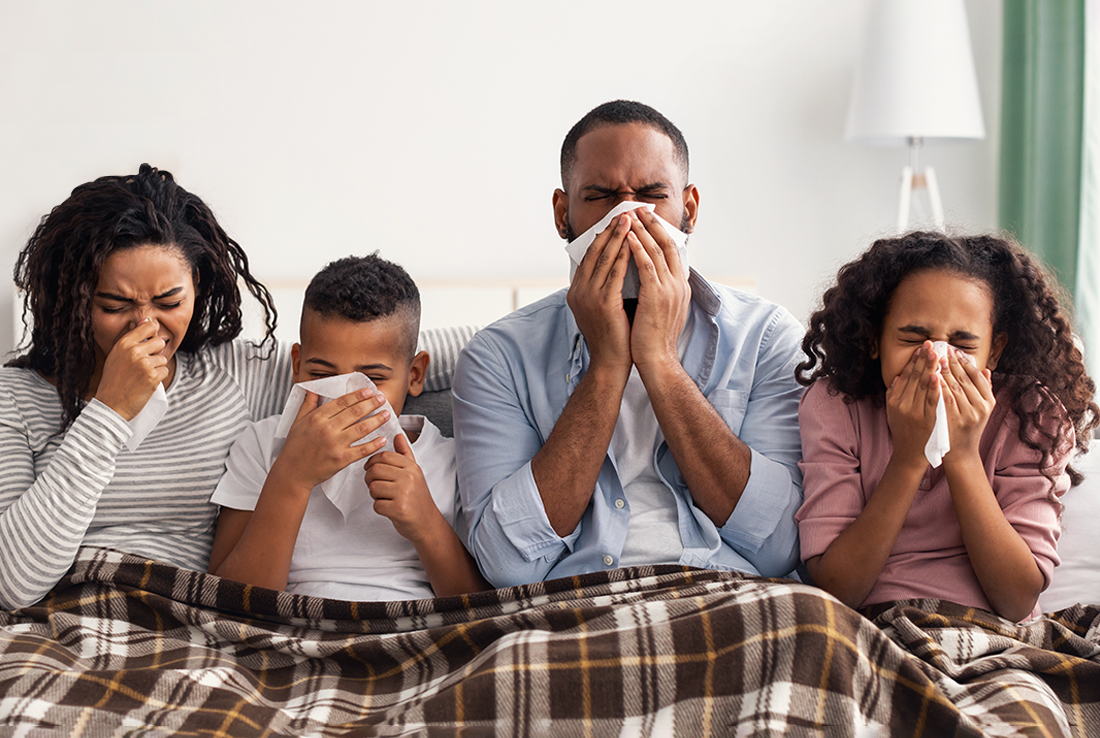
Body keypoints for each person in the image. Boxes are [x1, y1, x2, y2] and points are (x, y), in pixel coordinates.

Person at [452, 100, 805, 587]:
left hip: (733, 595)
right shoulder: (498, 357)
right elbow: (507, 567)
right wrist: (607, 365)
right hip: (574, 608)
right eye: (599, 196)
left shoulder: (766, 337)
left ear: (690, 209)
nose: (626, 218)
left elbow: (781, 549)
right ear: (562, 214)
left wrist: (659, 361)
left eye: (652, 195)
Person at [0, 164, 293, 610]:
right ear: (72, 299)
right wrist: (109, 410)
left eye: (169, 302)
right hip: (61, 619)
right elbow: (12, 585)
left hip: (185, 625)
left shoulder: (232, 373)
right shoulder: (15, 397)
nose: (146, 326)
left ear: (199, 286)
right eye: (115, 305)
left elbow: (391, 355)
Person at [796, 232, 1098, 622]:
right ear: (875, 340)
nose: (936, 360)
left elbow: (1017, 600)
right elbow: (837, 589)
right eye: (913, 337)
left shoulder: (1029, 415)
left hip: (990, 630)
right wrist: (908, 458)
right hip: (870, 624)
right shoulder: (837, 406)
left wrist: (962, 456)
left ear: (994, 349)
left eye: (963, 345)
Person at [207, 255, 487, 600]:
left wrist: (426, 521)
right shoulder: (262, 445)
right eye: (322, 376)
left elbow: (478, 606)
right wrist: (291, 477)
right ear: (297, 367)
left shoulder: (451, 460)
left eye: (371, 380)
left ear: (414, 375)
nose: (344, 398)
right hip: (287, 629)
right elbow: (226, 600)